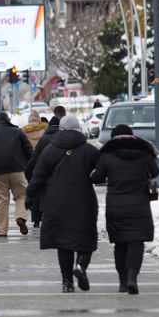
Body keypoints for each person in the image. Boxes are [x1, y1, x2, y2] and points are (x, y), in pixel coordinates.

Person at [25, 114, 99, 293]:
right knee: (86, 237)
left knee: (63, 242)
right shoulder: (88, 150)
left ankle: (67, 282)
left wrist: (29, 196)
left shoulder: (50, 150)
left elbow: (38, 176)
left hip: (57, 201)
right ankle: (81, 266)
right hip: (84, 199)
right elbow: (101, 172)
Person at [90, 124, 159, 295]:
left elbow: (97, 177)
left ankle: (122, 281)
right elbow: (155, 172)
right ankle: (132, 277)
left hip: (116, 206)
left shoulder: (107, 155)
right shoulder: (144, 152)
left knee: (120, 244)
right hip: (140, 206)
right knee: (136, 242)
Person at [25, 115, 60, 228]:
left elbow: (34, 157)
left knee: (39, 193)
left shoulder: (27, 132)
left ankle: (37, 219)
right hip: (59, 172)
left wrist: (28, 173)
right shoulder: (60, 136)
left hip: (41, 169)